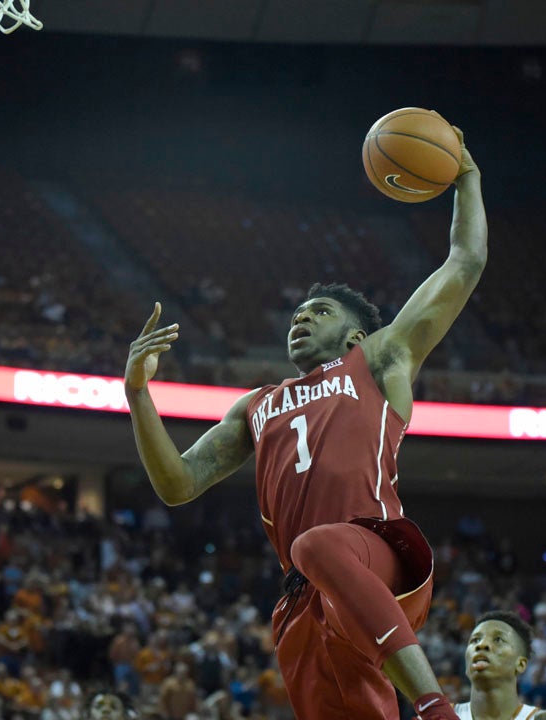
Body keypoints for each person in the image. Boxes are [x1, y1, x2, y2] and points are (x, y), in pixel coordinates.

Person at [125, 128, 487, 720]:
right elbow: (177, 484)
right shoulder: (255, 404)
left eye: (318, 311)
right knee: (311, 563)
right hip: (305, 597)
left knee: (318, 541)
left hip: (377, 555)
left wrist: (466, 177)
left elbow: (466, 261)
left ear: (354, 334)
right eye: (296, 314)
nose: (301, 319)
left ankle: (436, 707)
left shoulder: (378, 359)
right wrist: (138, 393)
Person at [455, 611, 546, 720]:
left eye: (498, 639)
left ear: (520, 664)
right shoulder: (442, 714)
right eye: (475, 640)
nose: (481, 645)